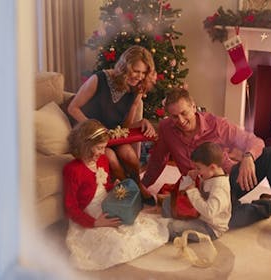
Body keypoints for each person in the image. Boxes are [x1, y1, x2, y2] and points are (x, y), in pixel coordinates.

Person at [141, 88, 271, 246]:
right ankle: (268, 205)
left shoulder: (218, 125)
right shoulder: (166, 128)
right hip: (198, 189)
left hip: (226, 183)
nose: (181, 121)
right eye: (174, 116)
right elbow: (158, 160)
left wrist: (248, 156)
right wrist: (144, 185)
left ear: (193, 107)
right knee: (222, 221)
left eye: (184, 113)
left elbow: (254, 141)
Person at [63, 119, 169, 270]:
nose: (102, 152)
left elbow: (105, 185)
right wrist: (95, 222)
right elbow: (70, 206)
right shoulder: (72, 170)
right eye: (99, 148)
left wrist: (117, 188)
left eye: (103, 148)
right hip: (89, 212)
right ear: (85, 145)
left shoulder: (102, 160)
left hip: (107, 202)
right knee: (116, 241)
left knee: (137, 227)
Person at [67, 45, 157, 200]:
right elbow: (73, 108)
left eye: (143, 73)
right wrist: (97, 131)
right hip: (89, 134)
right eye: (136, 71)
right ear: (125, 67)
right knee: (111, 158)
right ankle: (131, 191)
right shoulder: (98, 79)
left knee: (129, 154)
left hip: (111, 134)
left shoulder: (137, 88)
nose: (139, 76)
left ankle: (137, 185)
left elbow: (125, 126)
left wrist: (143, 122)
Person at [161, 142, 232, 242]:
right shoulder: (209, 174)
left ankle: (173, 226)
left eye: (198, 168)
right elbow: (185, 191)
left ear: (212, 167)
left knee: (172, 227)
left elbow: (209, 212)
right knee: (168, 202)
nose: (197, 170)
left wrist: (193, 192)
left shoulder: (220, 187)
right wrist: (191, 178)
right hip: (198, 215)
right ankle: (174, 224)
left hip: (210, 228)